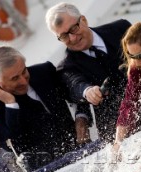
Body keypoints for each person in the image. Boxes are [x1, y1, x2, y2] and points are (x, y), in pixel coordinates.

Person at [45, 2, 131, 143]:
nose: (72, 38)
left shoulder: (121, 28)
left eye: (73, 28)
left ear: (83, 20)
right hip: (118, 134)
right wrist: (88, 92)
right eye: (64, 36)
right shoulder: (66, 67)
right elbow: (75, 84)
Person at [0, 45, 77, 170]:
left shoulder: (44, 71)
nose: (23, 81)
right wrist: (10, 105)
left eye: (24, 71)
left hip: (78, 148)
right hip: (42, 170)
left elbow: (75, 95)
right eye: (15, 78)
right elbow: (10, 145)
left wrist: (81, 117)